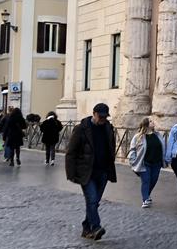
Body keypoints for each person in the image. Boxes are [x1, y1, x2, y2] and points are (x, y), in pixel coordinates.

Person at [65, 103, 117, 241]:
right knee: (92, 200)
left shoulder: (108, 128)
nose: (103, 119)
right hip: (86, 172)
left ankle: (86, 227)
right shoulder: (81, 129)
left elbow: (111, 147)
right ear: (94, 114)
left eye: (105, 117)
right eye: (101, 117)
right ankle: (95, 227)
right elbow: (71, 152)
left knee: (94, 202)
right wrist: (71, 173)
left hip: (103, 171)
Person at [128, 117, 165, 208]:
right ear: (146, 124)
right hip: (144, 163)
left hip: (157, 163)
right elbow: (132, 149)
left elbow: (163, 146)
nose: (153, 122)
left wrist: (165, 159)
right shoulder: (138, 136)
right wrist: (132, 161)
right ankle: (145, 199)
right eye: (151, 121)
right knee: (146, 181)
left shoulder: (157, 135)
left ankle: (147, 195)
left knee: (153, 180)